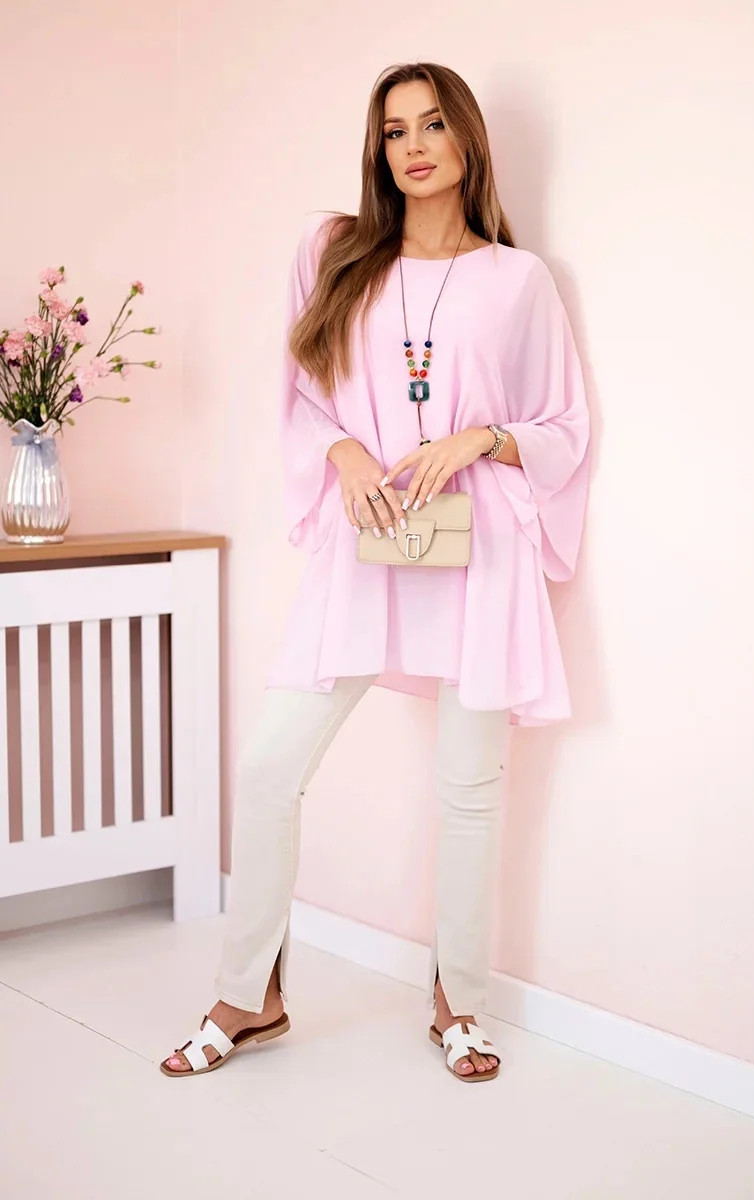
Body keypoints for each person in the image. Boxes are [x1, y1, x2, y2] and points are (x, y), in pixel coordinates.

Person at [160, 60, 590, 1083]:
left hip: (479, 545)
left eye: (432, 124)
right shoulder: (335, 251)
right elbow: (300, 393)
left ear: (467, 138)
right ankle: (250, 994)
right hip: (370, 533)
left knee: (468, 785)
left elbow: (562, 426)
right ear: (377, 149)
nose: (414, 146)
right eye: (394, 130)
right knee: (271, 766)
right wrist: (345, 452)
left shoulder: (518, 279)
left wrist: (479, 438)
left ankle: (459, 1003)